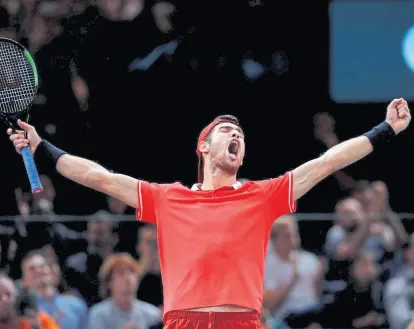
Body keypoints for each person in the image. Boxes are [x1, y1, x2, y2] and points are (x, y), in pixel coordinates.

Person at [8, 98, 411, 329]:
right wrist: (42, 147)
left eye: (241, 135)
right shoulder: (169, 198)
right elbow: (99, 178)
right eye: (226, 131)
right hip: (185, 322)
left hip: (244, 322)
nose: (236, 135)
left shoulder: (263, 194)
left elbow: (327, 162)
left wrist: (385, 129)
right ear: (203, 147)